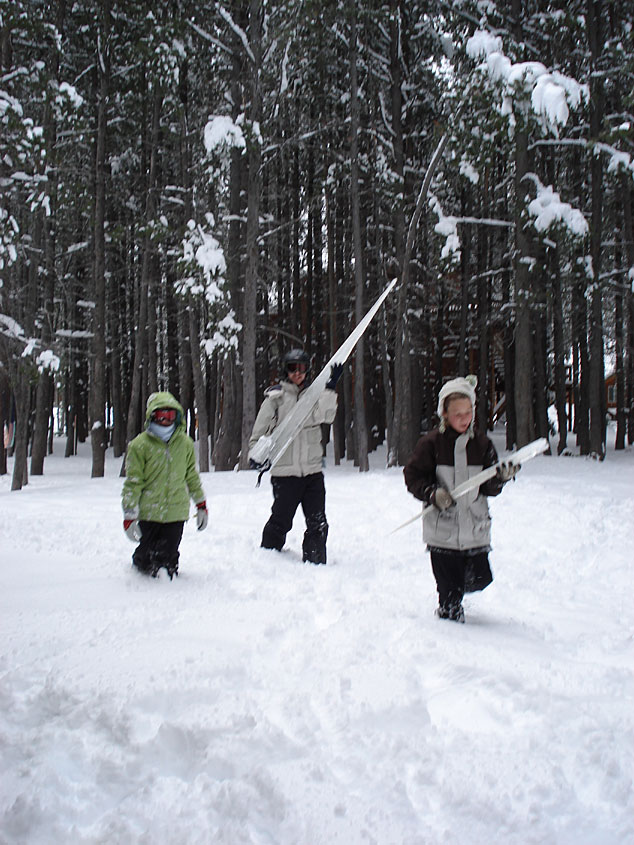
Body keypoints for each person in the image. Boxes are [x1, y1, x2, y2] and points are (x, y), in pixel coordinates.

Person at [403, 375, 518, 622]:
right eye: (458, 414)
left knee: (481, 578)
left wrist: (501, 478)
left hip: (474, 528)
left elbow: (490, 488)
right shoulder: (431, 444)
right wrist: (432, 494)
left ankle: (452, 593)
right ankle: (449, 625)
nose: (465, 419)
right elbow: (412, 476)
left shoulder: (482, 444)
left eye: (468, 412)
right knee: (450, 590)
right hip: (443, 530)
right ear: (444, 413)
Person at [249, 349, 343, 565]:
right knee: (281, 520)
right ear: (286, 370)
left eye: (301, 368)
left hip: (312, 473)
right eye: (292, 368)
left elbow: (326, 416)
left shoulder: (314, 395)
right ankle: (267, 559)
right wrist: (256, 455)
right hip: (285, 474)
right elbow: (259, 432)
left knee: (318, 522)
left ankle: (316, 562)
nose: (297, 373)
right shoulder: (276, 397)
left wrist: (329, 388)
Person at [122, 391, 208, 579]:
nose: (166, 420)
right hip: (149, 511)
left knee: (169, 554)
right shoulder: (140, 445)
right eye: (161, 416)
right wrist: (129, 514)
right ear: (152, 416)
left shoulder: (185, 444)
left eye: (171, 416)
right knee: (146, 554)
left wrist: (201, 504)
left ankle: (167, 574)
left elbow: (191, 476)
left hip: (176, 511)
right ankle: (141, 564)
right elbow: (133, 482)